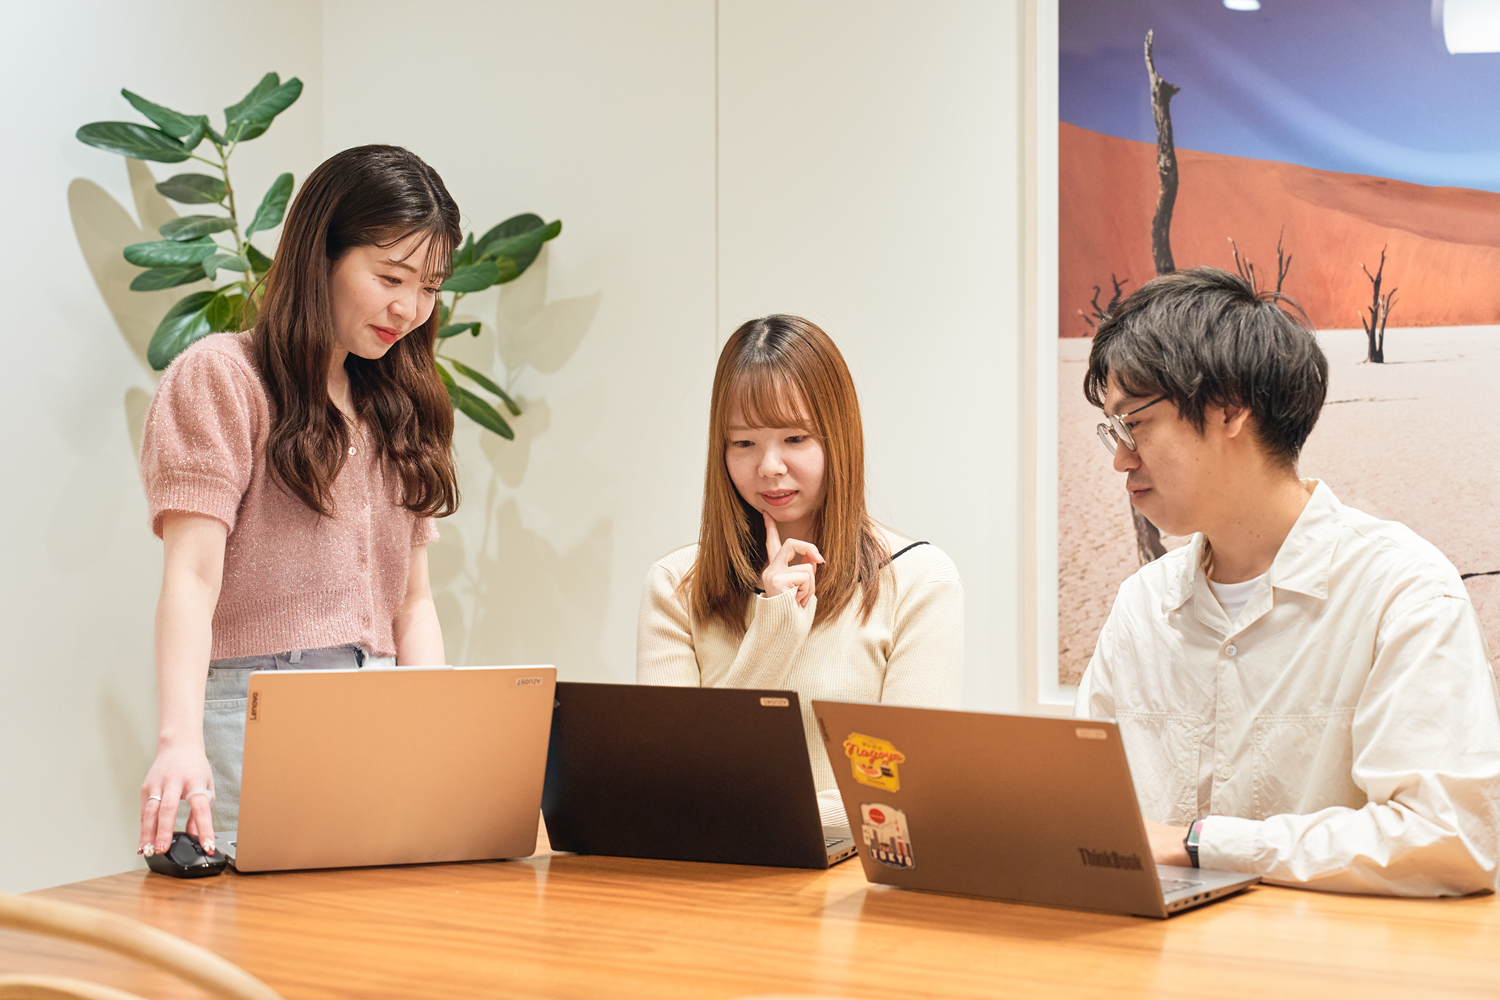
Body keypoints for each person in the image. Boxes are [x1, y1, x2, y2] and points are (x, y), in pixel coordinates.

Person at [1076, 266, 1500, 896]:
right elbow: (1085, 806)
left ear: (1229, 408)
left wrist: (1202, 844)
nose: (1120, 459)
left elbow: (1449, 837)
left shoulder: (1400, 591)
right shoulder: (1143, 604)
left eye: (1132, 424)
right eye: (1112, 431)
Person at [136, 145, 462, 859]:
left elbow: (413, 603)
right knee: (261, 924)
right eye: (390, 277)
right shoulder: (223, 377)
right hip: (258, 712)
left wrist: (433, 737)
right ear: (321, 256)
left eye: (430, 288)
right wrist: (178, 739)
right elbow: (191, 577)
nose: (410, 309)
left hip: (382, 706)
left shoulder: (400, 405)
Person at [637, 315, 963, 823]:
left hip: (854, 871)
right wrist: (774, 627)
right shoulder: (676, 585)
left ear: (839, 438)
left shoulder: (920, 580)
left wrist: (747, 814)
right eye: (743, 443)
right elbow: (669, 783)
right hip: (707, 871)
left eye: (795, 438)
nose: (769, 466)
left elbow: (906, 793)